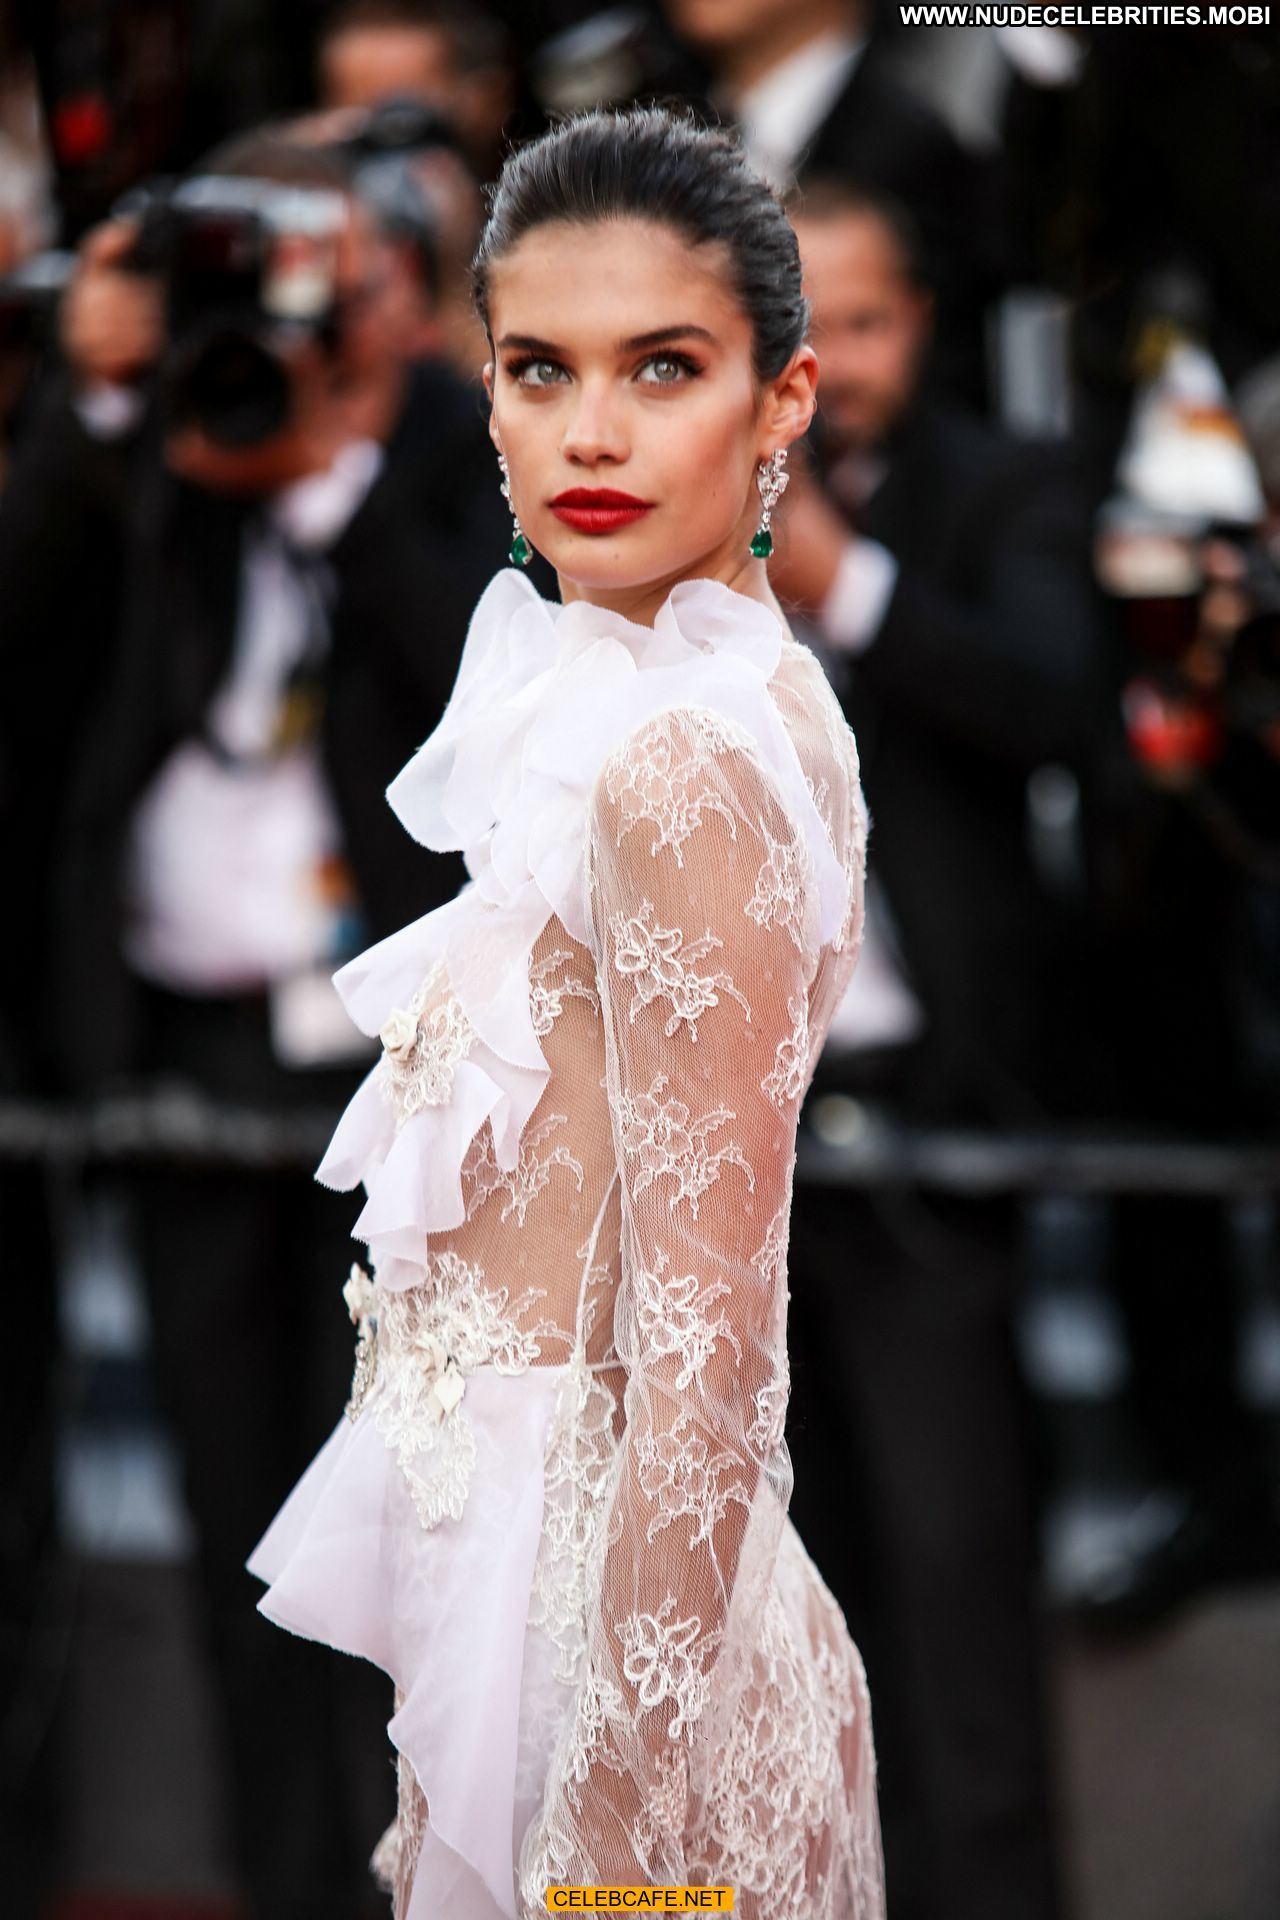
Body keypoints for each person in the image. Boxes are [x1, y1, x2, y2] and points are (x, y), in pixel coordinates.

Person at [247, 105, 885, 1916]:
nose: (590, 432)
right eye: (541, 369)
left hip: (617, 1678)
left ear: (782, 402)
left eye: (662, 367)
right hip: (535, 1609)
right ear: (489, 396)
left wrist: (613, 1831)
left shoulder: (684, 760)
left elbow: (712, 1356)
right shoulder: (670, 700)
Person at [767, 178, 1105, 1920]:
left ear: (924, 321)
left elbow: (1060, 703)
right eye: (792, 327)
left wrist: (850, 585)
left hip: (927, 1126)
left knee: (962, 1594)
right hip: (716, 1140)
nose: (831, 362)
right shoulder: (653, 506)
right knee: (776, 1627)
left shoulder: (1004, 488)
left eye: (866, 320)